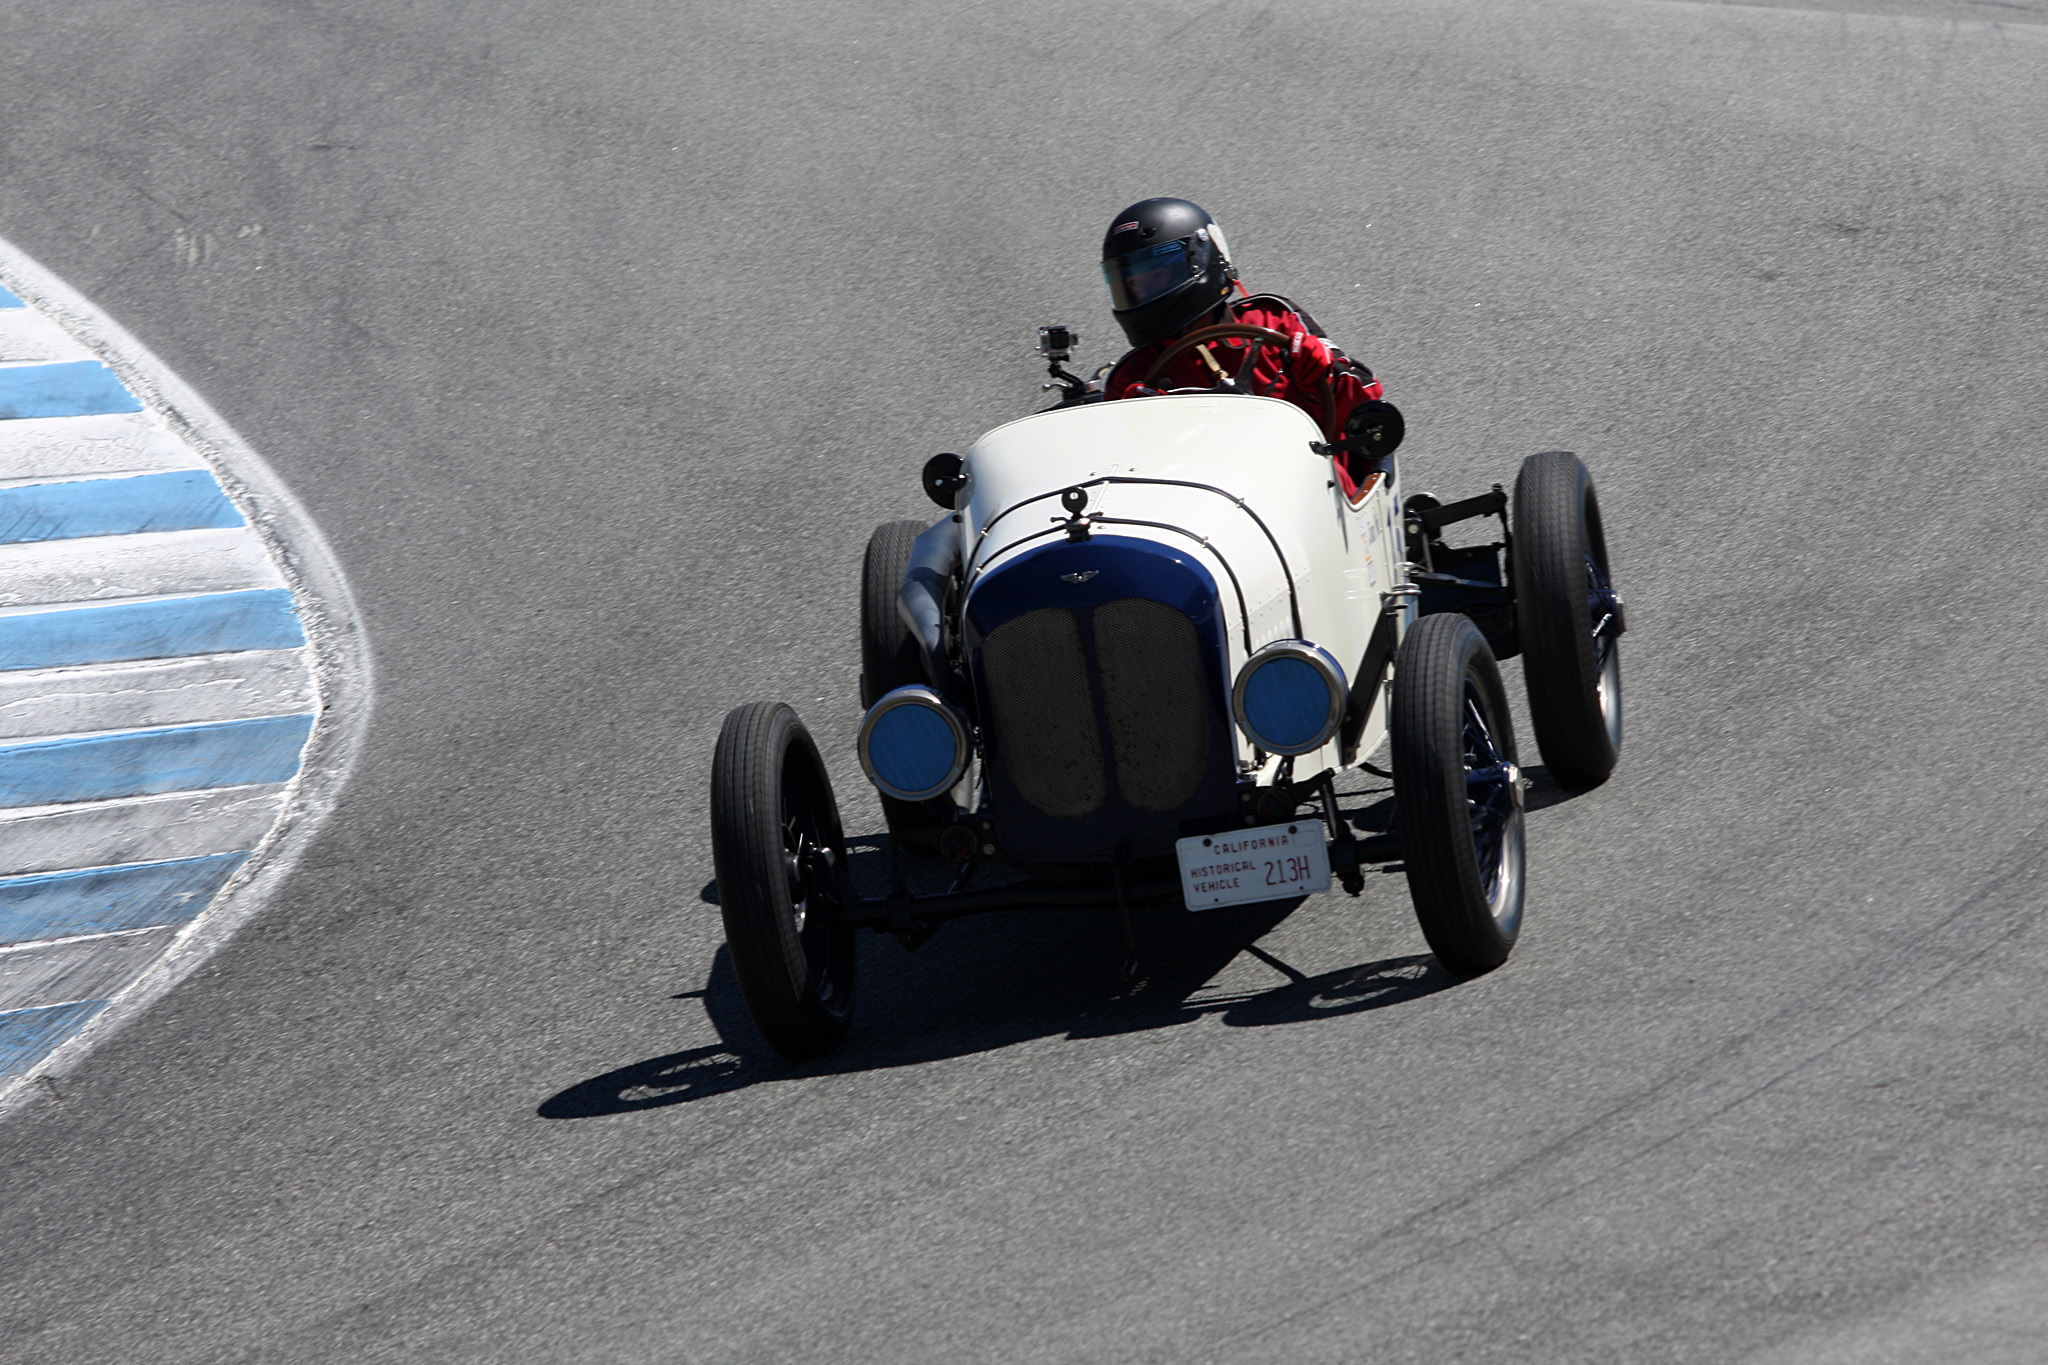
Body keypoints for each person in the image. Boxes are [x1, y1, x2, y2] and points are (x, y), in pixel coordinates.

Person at [1098, 197, 1403, 498]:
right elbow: (1120, 483)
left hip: (1313, 498)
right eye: (1136, 285)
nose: (1146, 292)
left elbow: (1369, 403)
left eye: (1159, 275)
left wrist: (1323, 376)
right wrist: (1136, 427)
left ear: (1204, 258)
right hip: (1208, 514)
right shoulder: (1133, 379)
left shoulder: (1273, 318)